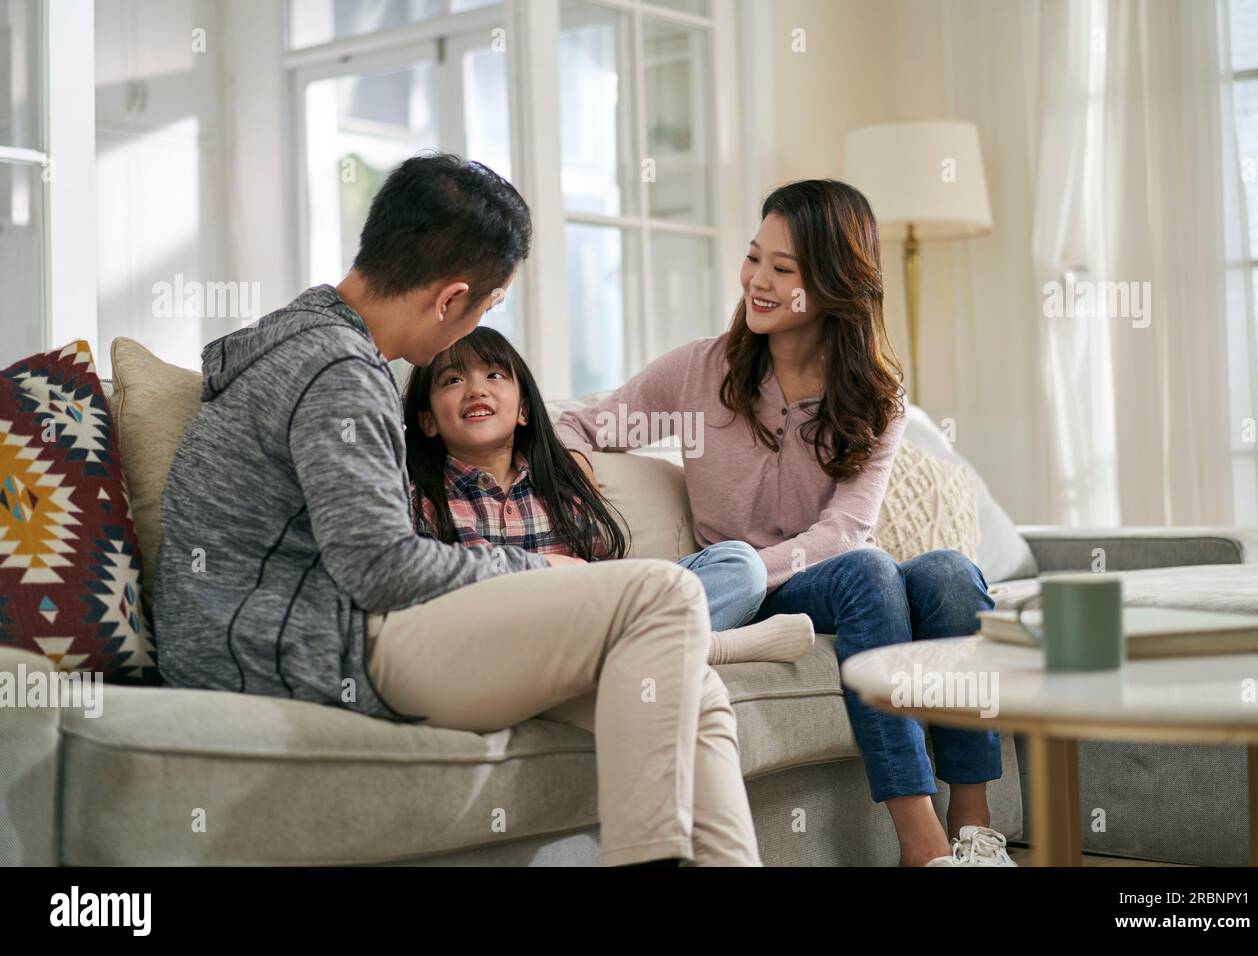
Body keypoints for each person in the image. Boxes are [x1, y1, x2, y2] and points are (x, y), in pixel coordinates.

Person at [153, 152, 761, 867]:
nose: (477, 325)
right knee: (665, 592)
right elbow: (380, 568)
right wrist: (537, 569)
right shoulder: (339, 372)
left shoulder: (307, 339)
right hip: (319, 647)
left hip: (307, 633)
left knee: (696, 690)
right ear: (450, 299)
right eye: (486, 306)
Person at [555, 180, 1012, 867]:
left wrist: (776, 563)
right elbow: (577, 423)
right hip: (753, 593)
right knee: (868, 571)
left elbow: (845, 529)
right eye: (753, 258)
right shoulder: (699, 373)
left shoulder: (876, 397)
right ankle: (922, 846)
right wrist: (575, 460)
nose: (757, 282)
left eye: (783, 269)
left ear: (832, 285)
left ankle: (973, 831)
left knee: (950, 572)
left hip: (833, 577)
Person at [403, 324, 815, 665]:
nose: (476, 389)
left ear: (525, 410)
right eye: (453, 380)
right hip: (508, 642)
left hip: (591, 621)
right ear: (428, 422)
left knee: (740, 564)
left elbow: (606, 580)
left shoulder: (560, 483)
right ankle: (703, 647)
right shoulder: (422, 498)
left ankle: (646, 648)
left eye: (494, 375)